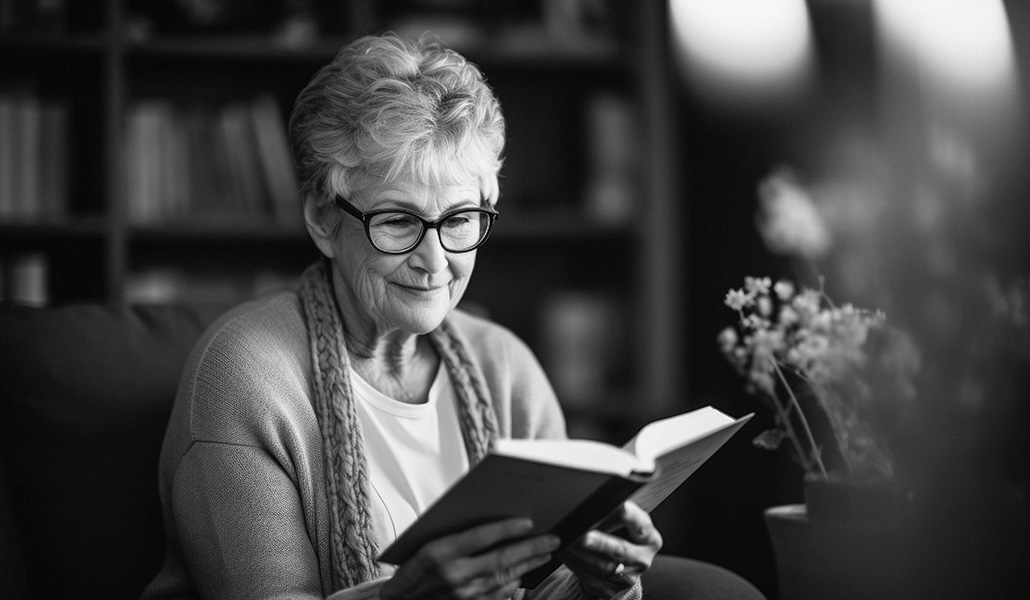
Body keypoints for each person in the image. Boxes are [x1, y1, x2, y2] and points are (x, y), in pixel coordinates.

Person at [142, 33, 764, 600]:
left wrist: (605, 580)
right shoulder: (243, 378)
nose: (435, 261)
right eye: (398, 221)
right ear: (323, 220)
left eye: (460, 219)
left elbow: (544, 587)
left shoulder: (504, 364)